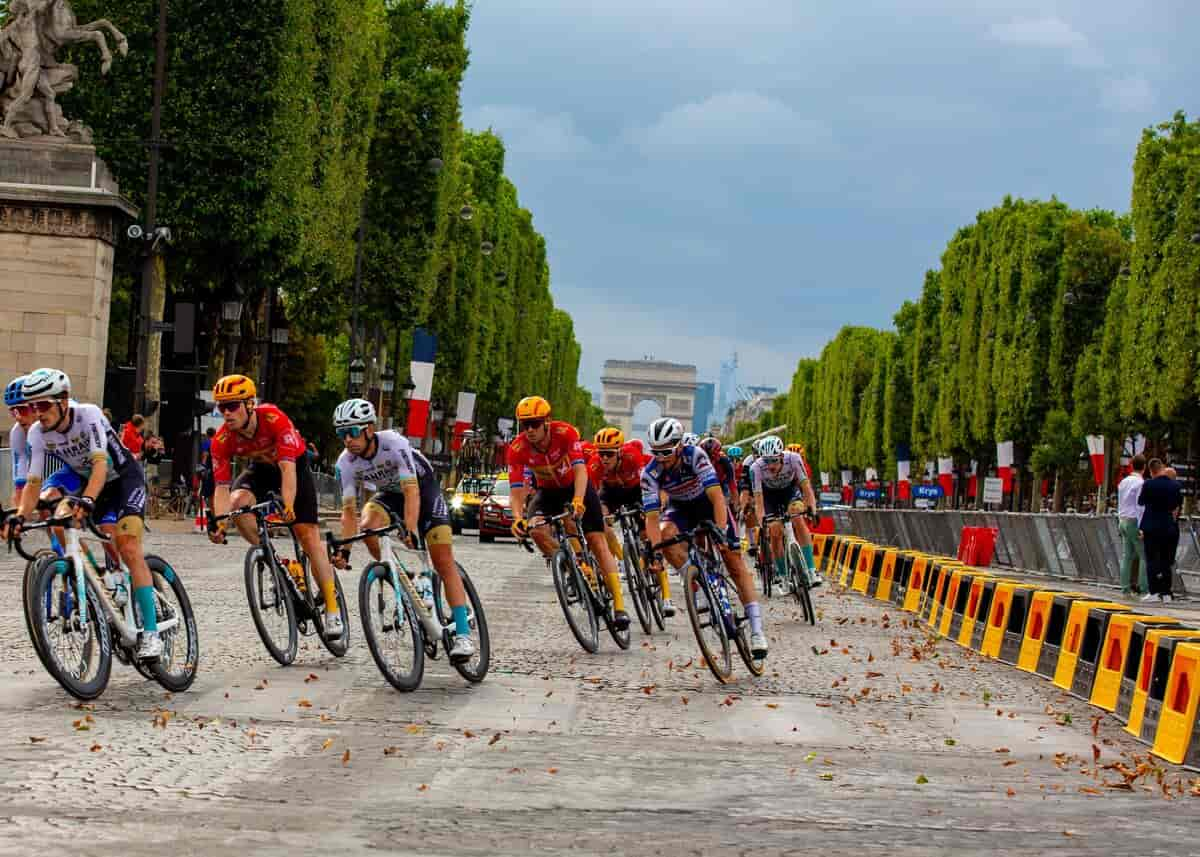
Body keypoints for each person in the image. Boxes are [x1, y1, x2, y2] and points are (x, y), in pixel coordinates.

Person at [2, 369, 162, 659]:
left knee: (127, 544)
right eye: (33, 406)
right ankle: (90, 573)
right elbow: (33, 481)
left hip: (122, 477)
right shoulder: (37, 432)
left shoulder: (87, 415)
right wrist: (20, 515)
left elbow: (101, 466)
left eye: (43, 405)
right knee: (57, 513)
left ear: (63, 400)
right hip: (81, 476)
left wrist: (88, 499)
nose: (37, 413)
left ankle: (151, 633)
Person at [330, 399, 475, 663]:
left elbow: (411, 491)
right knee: (368, 526)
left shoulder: (393, 443)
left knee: (442, 560)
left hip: (423, 489)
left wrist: (410, 529)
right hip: (389, 495)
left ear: (368, 429)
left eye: (351, 432)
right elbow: (349, 511)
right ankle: (403, 577)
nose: (347, 440)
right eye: (341, 434)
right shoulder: (346, 462)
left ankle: (464, 635)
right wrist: (345, 549)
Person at [206, 374, 345, 638]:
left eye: (232, 405)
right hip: (261, 470)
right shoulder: (222, 440)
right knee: (238, 504)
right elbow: (222, 487)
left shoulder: (273, 418)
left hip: (293, 466)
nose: (226, 413)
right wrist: (221, 522)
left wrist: (289, 505)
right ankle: (272, 558)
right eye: (221, 407)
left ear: (250, 404)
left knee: (307, 536)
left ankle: (333, 609)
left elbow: (288, 470)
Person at [641, 417, 768, 658]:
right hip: (681, 508)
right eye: (655, 452)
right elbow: (652, 518)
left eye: (666, 451)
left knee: (734, 563)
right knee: (666, 538)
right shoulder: (649, 473)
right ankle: (697, 584)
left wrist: (720, 530)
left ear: (679, 446)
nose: (661, 458)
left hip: (708, 504)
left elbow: (718, 498)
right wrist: (655, 551)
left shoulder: (696, 455)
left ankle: (756, 630)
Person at [507, 396, 630, 631]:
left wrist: (578, 499)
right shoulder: (517, 448)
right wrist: (517, 518)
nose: (530, 430)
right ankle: (569, 567)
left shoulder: (565, 433)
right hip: (548, 493)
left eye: (535, 423)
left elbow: (581, 469)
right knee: (536, 529)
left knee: (596, 540)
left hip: (576, 487)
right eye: (525, 425)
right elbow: (516, 489)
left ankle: (620, 606)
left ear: (547, 421)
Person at [592, 426, 673, 616]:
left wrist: (653, 506)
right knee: (600, 521)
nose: (604, 458)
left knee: (649, 535)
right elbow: (593, 492)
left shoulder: (633, 457)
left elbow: (651, 483)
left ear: (619, 452)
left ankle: (667, 597)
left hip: (637, 490)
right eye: (601, 454)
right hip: (611, 493)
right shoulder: (596, 464)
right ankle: (621, 560)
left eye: (609, 454)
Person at [751, 435, 821, 587]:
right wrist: (763, 521)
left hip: (789, 491)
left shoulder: (794, 458)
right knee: (775, 531)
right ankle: (783, 576)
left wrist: (813, 510)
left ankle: (811, 570)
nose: (770, 465)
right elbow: (758, 500)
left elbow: (806, 487)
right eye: (766, 461)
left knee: (797, 517)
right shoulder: (755, 468)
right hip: (769, 496)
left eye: (774, 460)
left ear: (782, 456)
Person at [1137, 458, 1181, 604]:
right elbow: (1176, 503)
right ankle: (1167, 593)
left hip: (1151, 526)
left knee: (1151, 559)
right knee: (1165, 560)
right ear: (1162, 468)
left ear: (1151, 470)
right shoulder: (1174, 485)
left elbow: (1141, 501)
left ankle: (1154, 592)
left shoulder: (1148, 484)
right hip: (1168, 526)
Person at [1116, 454, 1148, 595]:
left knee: (1127, 556)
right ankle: (1142, 588)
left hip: (1122, 519)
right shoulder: (1141, 483)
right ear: (1144, 467)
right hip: (1134, 521)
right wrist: (1142, 526)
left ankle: (1125, 587)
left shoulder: (1123, 482)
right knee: (1144, 555)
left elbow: (1121, 502)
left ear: (1131, 466)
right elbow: (1140, 505)